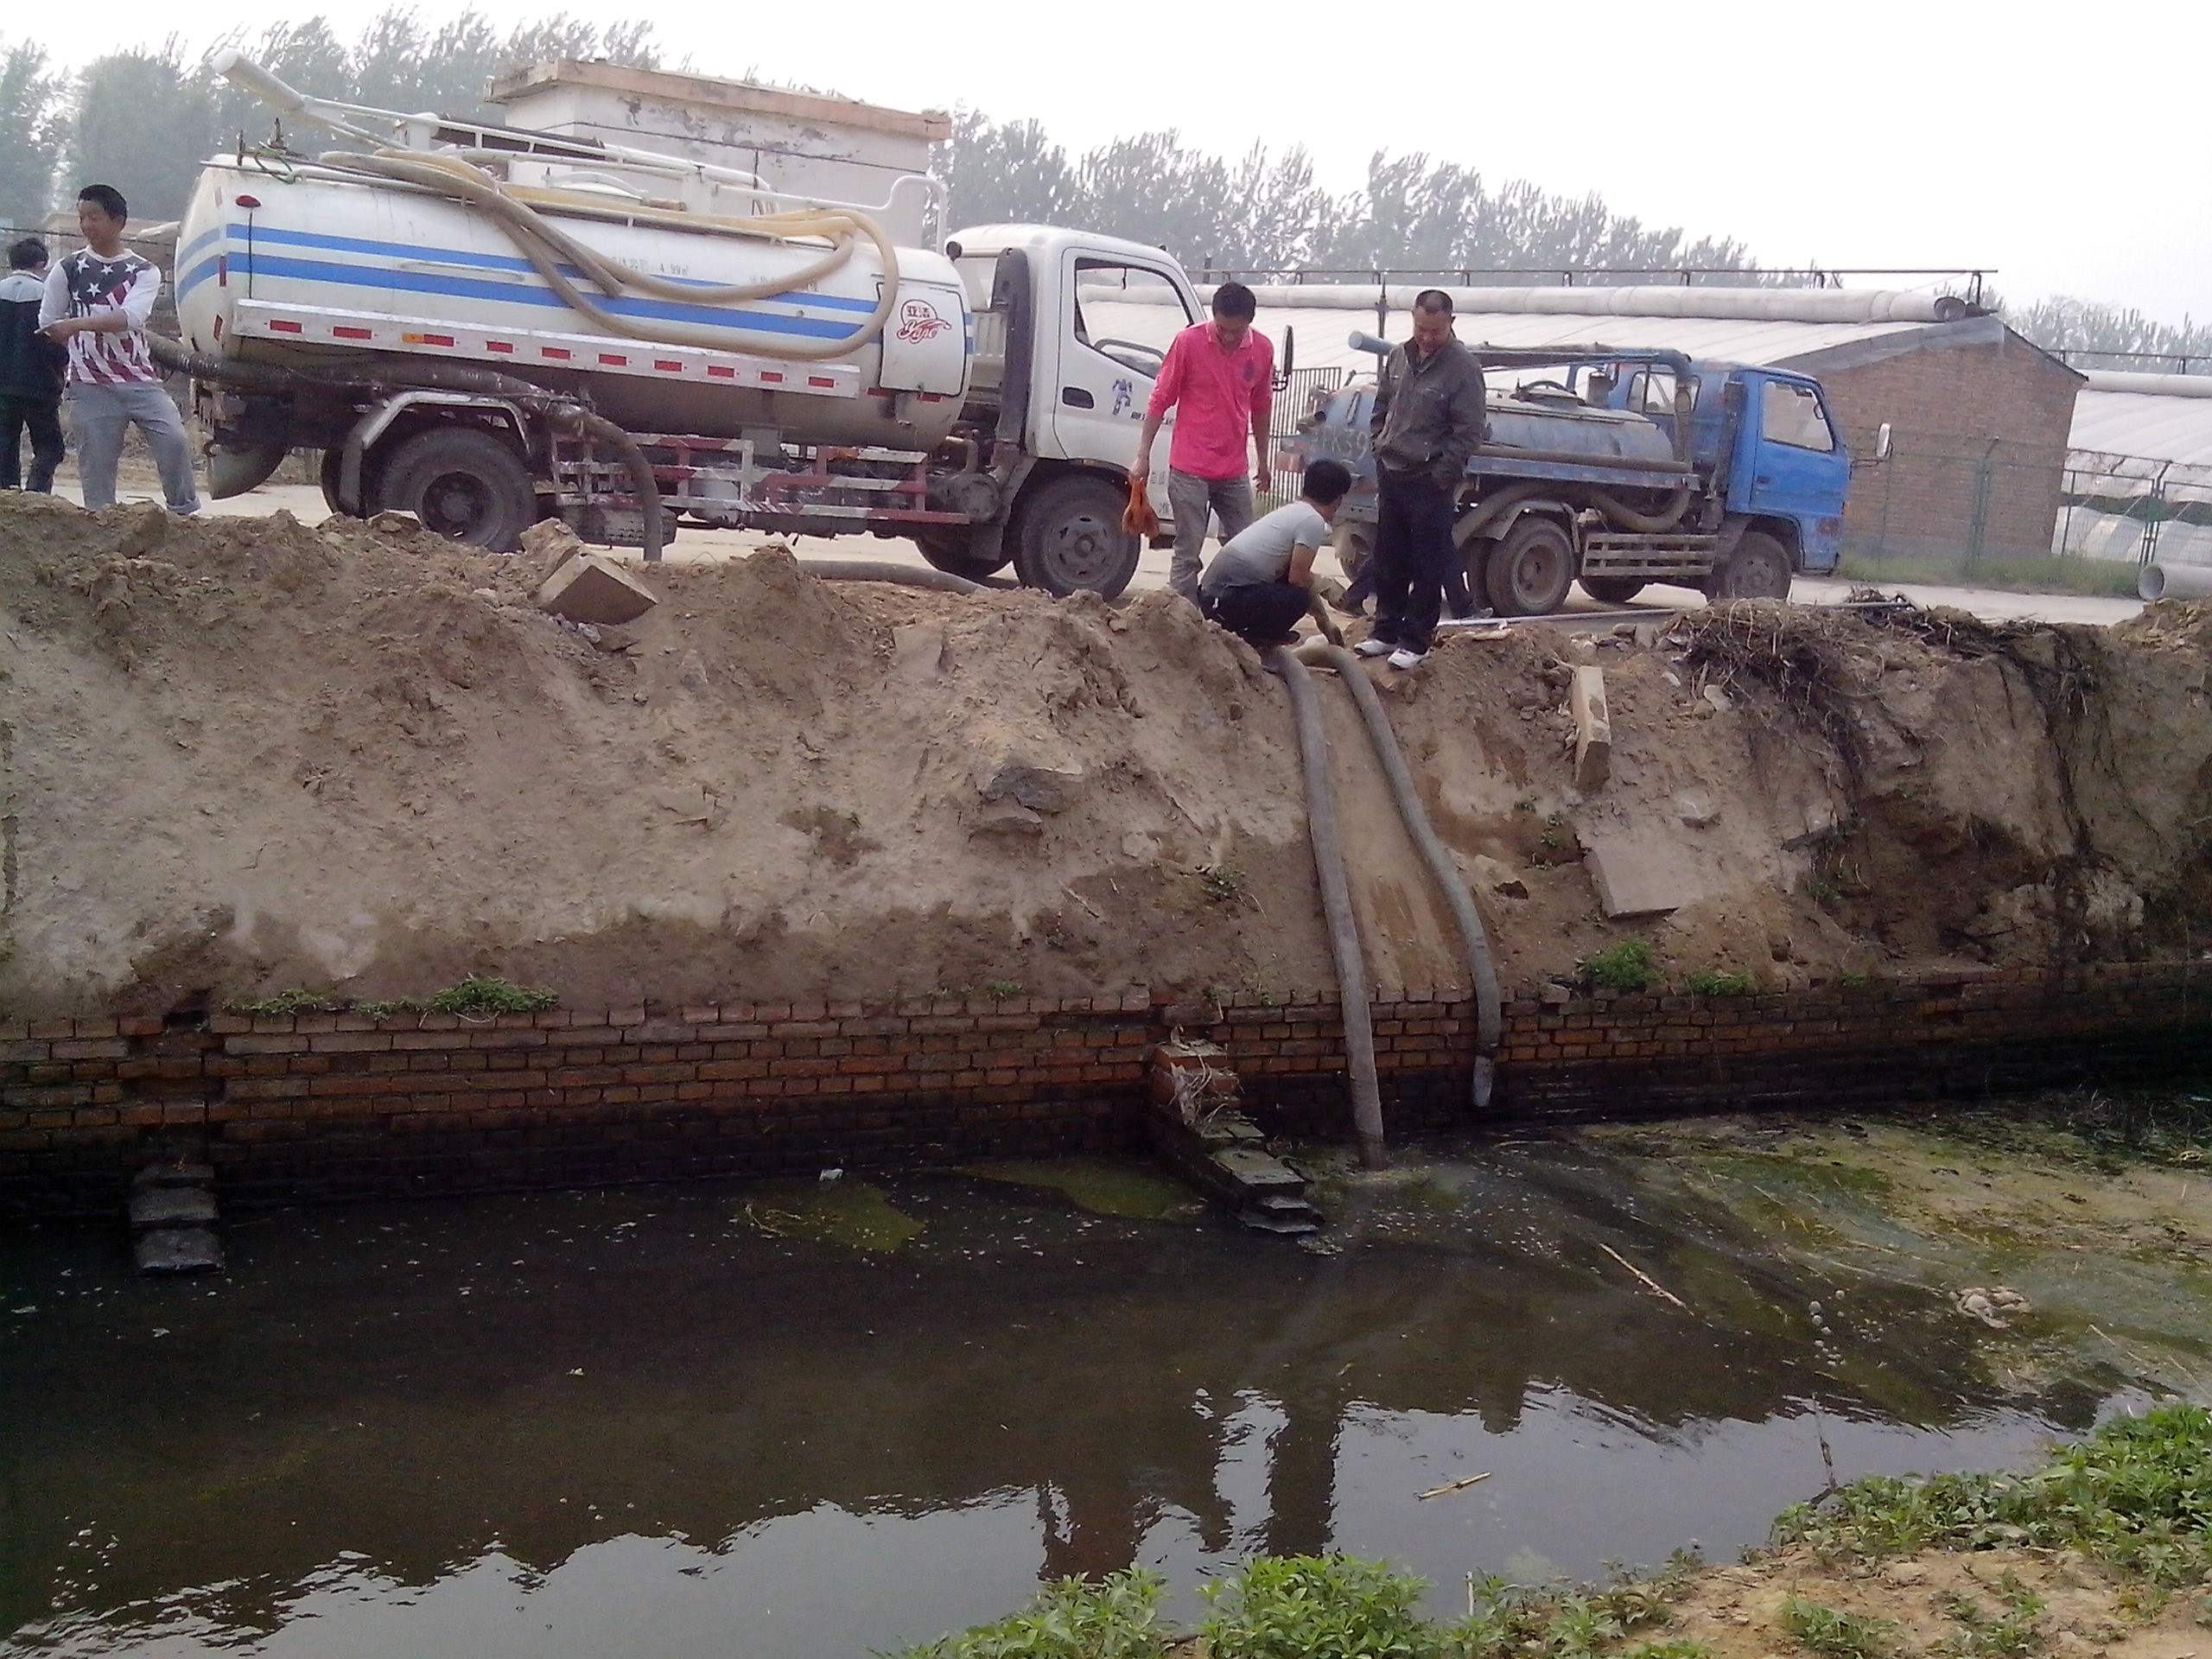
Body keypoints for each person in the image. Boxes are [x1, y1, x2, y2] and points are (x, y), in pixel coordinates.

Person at [38, 183, 200, 515]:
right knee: (96, 467)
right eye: (82, 217)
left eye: (94, 217)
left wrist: (77, 324)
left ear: (118, 221)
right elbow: (48, 320)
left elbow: (131, 317)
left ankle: (183, 513)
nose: (86, 226)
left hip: (140, 379)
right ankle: (102, 523)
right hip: (88, 385)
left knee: (174, 441)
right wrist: (72, 336)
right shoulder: (67, 268)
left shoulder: (143, 270)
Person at [1354, 289, 1486, 671]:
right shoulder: (1398, 356)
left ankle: (1416, 640)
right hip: (1392, 471)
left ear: (1450, 323)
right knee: (1389, 556)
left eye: (1435, 330)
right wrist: (1379, 444)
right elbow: (1382, 405)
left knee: (1427, 562)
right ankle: (1385, 631)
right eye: (1420, 328)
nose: (1426, 337)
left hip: (1430, 479)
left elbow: (1468, 430)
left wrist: (1443, 474)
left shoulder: (1462, 368)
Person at [1133, 280, 1274, 603]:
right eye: (1222, 328)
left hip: (1233, 468)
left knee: (1248, 546)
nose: (1227, 337)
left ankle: (1238, 612)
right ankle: (1182, 620)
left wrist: (1263, 464)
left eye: (1236, 332)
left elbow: (1262, 407)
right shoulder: (1188, 342)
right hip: (1189, 467)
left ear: (1249, 323)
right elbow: (1159, 400)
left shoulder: (1263, 350)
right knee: (1188, 549)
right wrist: (1143, 456)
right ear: (1214, 316)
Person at [1199, 459, 1352, 646]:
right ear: (1338, 499)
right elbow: (1298, 579)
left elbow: (1294, 575)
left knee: (1290, 588)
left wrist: (1323, 619)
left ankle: (1257, 635)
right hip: (1224, 602)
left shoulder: (1295, 511)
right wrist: (1325, 585)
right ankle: (1257, 638)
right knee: (1296, 599)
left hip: (1212, 600)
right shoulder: (1312, 521)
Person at [0, 238, 65, 493]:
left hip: (2, 388)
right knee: (50, 447)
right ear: (41, 263)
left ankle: (7, 498)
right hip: (41, 387)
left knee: (4, 444)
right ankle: (37, 493)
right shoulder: (48, 296)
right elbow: (58, 345)